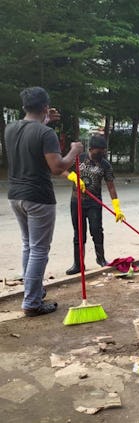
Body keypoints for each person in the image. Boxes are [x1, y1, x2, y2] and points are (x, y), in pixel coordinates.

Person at [6, 87, 84, 316]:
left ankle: (34, 292)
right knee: (39, 249)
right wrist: (74, 151)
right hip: (38, 197)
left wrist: (45, 120)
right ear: (44, 107)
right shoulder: (45, 133)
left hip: (15, 195)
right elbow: (57, 166)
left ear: (24, 107)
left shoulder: (11, 128)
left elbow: (32, 139)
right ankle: (32, 302)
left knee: (29, 246)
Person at [64, 135, 125, 274]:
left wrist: (117, 207)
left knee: (96, 230)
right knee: (78, 234)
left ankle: (101, 259)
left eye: (104, 150)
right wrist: (72, 177)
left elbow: (111, 187)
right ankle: (78, 264)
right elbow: (60, 168)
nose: (102, 153)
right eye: (100, 151)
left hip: (94, 203)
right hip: (77, 202)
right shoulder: (78, 158)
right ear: (91, 149)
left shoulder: (105, 165)